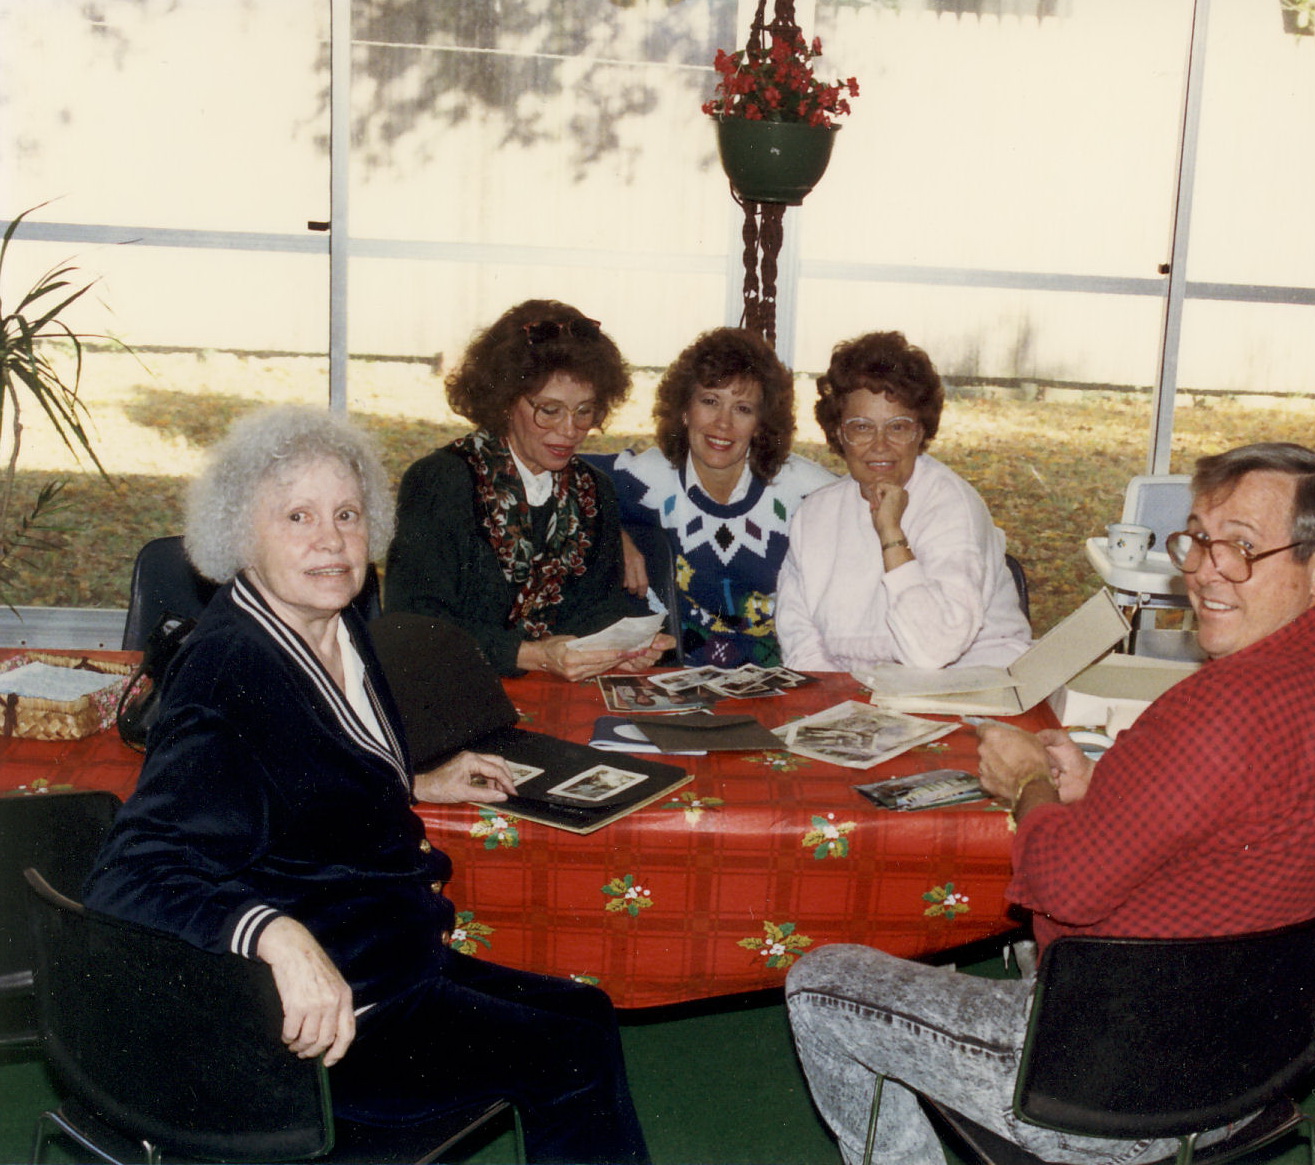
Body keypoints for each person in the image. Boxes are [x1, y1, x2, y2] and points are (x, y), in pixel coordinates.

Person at [785, 443, 1315, 1165]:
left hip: (1113, 1087)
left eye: (1241, 547)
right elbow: (1235, 826)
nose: (1203, 567)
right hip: (1251, 1073)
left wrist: (1027, 787)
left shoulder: (1222, 707)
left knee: (818, 984)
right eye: (1197, 537)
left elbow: (1060, 884)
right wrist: (1099, 794)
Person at [83, 407, 650, 1164]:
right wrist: (276, 935)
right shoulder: (230, 670)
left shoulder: (337, 622)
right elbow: (130, 873)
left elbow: (300, 768)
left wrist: (414, 778)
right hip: (327, 1018)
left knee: (586, 1012)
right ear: (239, 534)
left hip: (390, 957)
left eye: (346, 513)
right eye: (297, 516)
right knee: (567, 1055)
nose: (331, 539)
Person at [386, 300, 674, 680]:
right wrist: (534, 655)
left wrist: (624, 647)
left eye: (585, 410)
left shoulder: (592, 489)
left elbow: (595, 608)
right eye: (549, 410)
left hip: (556, 692)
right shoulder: (442, 481)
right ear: (505, 402)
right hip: (456, 689)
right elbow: (415, 624)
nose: (570, 430)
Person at [776, 331, 1031, 672]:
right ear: (838, 433)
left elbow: (933, 650)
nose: (880, 446)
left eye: (897, 427)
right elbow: (802, 645)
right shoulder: (815, 514)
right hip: (856, 700)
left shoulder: (953, 505)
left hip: (969, 687)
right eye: (862, 427)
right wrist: (838, 705)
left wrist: (891, 533)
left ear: (921, 432)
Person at [602, 327, 833, 668]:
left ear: (761, 422)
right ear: (684, 409)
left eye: (742, 409)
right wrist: (611, 532)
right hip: (678, 678)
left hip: (783, 681)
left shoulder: (805, 489)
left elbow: (868, 513)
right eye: (710, 402)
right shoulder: (652, 477)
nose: (723, 424)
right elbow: (565, 477)